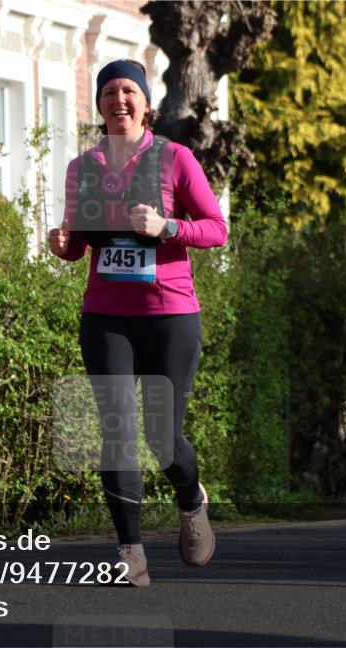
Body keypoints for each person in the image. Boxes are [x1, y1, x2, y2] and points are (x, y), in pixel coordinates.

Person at [47, 59, 228, 586]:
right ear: (99, 104)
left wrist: (167, 225)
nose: (119, 100)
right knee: (117, 433)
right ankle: (131, 553)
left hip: (170, 315)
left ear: (146, 103)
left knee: (161, 437)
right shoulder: (83, 168)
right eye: (110, 92)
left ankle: (192, 499)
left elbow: (217, 229)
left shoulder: (175, 159)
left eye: (130, 91)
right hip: (105, 316)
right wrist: (63, 245)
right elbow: (79, 244)